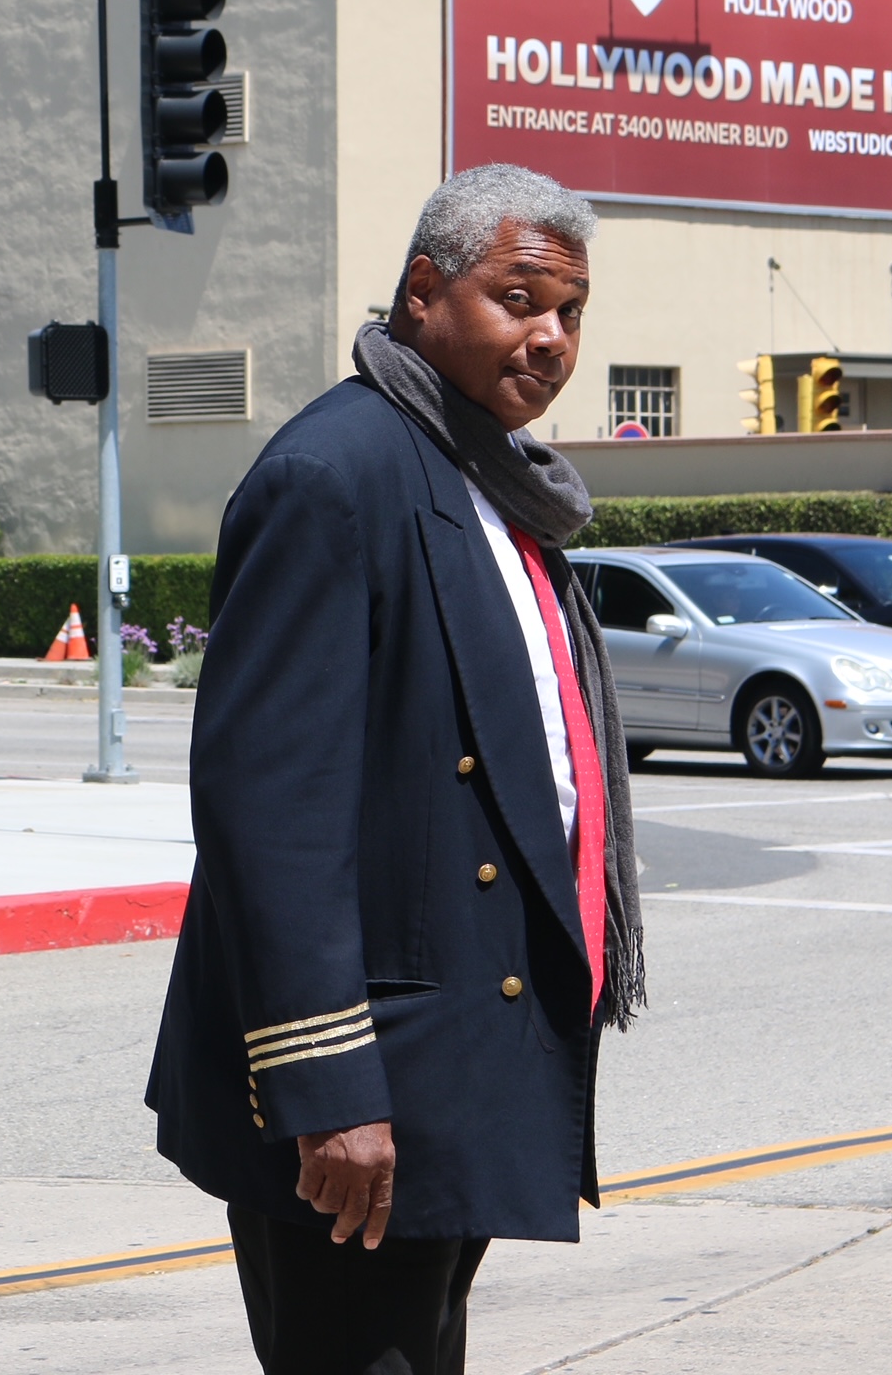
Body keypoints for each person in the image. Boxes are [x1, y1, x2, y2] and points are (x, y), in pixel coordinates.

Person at [147, 164, 644, 1375]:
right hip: (363, 1081)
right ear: (425, 291)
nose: (551, 336)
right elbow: (273, 810)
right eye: (520, 298)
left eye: (571, 313)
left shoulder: (485, 477)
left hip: (459, 1056)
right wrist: (328, 1086)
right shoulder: (338, 474)